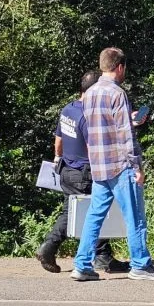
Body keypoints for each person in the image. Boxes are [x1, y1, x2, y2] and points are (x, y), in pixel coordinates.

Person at [70, 47, 154, 281]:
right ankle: (140, 265)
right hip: (120, 165)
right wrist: (137, 167)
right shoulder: (117, 94)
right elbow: (124, 135)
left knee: (94, 217)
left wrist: (129, 119)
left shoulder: (89, 94)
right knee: (135, 216)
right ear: (120, 67)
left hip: (99, 164)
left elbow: (100, 127)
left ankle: (82, 265)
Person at [36, 70, 129, 274]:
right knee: (90, 211)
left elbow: (58, 140)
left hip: (67, 170)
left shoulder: (68, 109)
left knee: (86, 211)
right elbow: (94, 145)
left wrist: (57, 159)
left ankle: (102, 255)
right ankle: (49, 247)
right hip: (84, 171)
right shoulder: (88, 115)